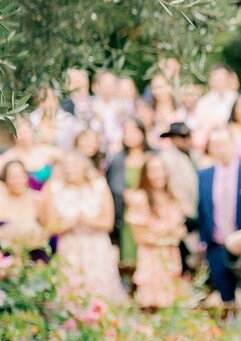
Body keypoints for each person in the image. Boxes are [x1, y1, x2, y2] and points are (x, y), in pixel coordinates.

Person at [42, 151, 125, 302]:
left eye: (74, 165)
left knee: (99, 289)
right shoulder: (56, 189)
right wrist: (70, 223)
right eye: (66, 166)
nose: (70, 169)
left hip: (97, 246)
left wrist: (86, 220)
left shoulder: (98, 186)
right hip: (70, 246)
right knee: (72, 290)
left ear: (84, 167)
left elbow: (108, 223)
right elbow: (50, 227)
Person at [197, 128, 241, 302]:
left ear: (233, 145)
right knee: (225, 299)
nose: (221, 148)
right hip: (217, 247)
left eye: (225, 143)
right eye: (216, 145)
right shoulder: (203, 176)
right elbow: (201, 210)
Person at [125, 154, 188, 308]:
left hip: (172, 256)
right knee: (152, 302)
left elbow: (181, 230)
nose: (158, 174)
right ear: (145, 174)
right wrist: (165, 235)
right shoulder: (140, 198)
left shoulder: (173, 197)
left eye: (161, 170)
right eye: (153, 170)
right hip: (151, 257)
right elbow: (139, 237)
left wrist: (177, 233)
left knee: (173, 301)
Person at [106, 118, 152, 266]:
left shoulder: (152, 156)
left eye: (134, 130)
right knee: (129, 254)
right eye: (127, 131)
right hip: (127, 214)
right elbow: (113, 186)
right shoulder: (117, 160)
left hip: (150, 212)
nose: (130, 135)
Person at [0, 161, 48, 252]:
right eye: (12, 177)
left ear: (26, 177)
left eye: (20, 176)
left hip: (34, 254)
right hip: (5, 256)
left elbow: (47, 229)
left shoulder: (37, 199)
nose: (17, 181)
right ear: (5, 179)